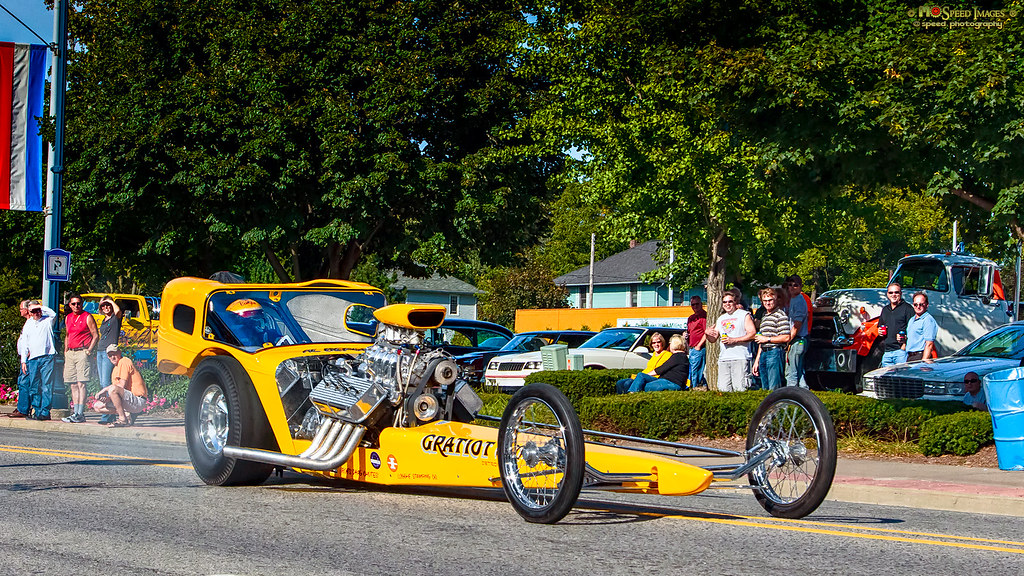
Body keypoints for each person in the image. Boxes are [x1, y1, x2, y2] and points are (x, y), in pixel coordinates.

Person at [704, 291, 755, 392]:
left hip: (740, 357)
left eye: (730, 301)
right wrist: (707, 334)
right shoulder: (721, 318)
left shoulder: (744, 315)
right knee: (723, 389)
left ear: (735, 302)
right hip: (724, 358)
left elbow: (752, 334)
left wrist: (734, 340)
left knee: (740, 389)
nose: (727, 304)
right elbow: (713, 339)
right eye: (724, 302)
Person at [62, 293, 99, 423]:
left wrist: (89, 350)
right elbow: (67, 335)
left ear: (82, 304)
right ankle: (75, 412)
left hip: (82, 351)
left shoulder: (87, 317)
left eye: (78, 303)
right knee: (73, 384)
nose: (76, 306)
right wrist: (66, 350)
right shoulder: (68, 318)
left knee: (81, 383)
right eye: (73, 304)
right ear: (70, 305)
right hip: (71, 352)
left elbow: (95, 335)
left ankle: (80, 413)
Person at [20, 300, 58, 421]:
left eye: (38, 310)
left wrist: (39, 306)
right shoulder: (28, 324)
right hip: (33, 359)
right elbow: (25, 343)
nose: (36, 313)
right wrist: (23, 361)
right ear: (29, 312)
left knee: (47, 385)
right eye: (33, 311)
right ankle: (37, 411)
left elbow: (53, 314)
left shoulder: (47, 320)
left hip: (47, 357)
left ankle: (45, 412)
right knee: (34, 386)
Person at [93, 344, 149, 427]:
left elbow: (121, 386)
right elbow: (117, 393)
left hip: (138, 400)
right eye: (110, 355)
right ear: (108, 357)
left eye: (114, 354)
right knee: (97, 406)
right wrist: (107, 399)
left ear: (119, 353)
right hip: (128, 401)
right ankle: (127, 414)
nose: (112, 357)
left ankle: (122, 419)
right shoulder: (115, 369)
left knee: (112, 389)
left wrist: (104, 390)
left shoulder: (124, 361)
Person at [753, 287, 791, 391]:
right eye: (765, 301)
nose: (767, 303)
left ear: (775, 300)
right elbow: (761, 340)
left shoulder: (780, 314)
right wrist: (757, 360)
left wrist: (767, 339)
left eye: (770, 300)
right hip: (763, 352)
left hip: (775, 352)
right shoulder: (764, 316)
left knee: (774, 387)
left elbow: (786, 337)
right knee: (765, 387)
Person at [621, 335, 689, 392]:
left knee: (644, 385)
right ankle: (631, 394)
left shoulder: (678, 357)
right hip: (663, 380)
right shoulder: (679, 356)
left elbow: (661, 369)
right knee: (640, 376)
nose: (669, 345)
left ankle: (632, 395)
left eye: (670, 343)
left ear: (674, 345)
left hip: (671, 383)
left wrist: (647, 375)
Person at [94, 296, 123, 424]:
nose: (106, 307)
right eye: (103, 306)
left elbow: (118, 311)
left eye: (108, 305)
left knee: (106, 382)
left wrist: (110, 301)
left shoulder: (115, 318)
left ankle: (107, 414)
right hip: (100, 350)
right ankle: (108, 412)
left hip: (108, 352)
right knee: (102, 382)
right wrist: (102, 303)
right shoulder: (104, 320)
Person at [784, 275, 811, 388]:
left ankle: (792, 394)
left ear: (800, 287)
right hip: (797, 340)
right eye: (790, 285)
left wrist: (788, 340)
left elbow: (797, 324)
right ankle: (804, 393)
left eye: (795, 285)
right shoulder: (793, 300)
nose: (792, 287)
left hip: (797, 340)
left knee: (792, 373)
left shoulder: (799, 300)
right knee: (799, 373)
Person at [8, 300, 34, 418]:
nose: (20, 311)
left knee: (24, 382)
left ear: (27, 310)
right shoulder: (28, 322)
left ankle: (23, 409)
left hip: (28, 357)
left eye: (21, 309)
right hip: (24, 357)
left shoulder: (32, 322)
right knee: (22, 381)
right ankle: (22, 406)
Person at [879, 281, 914, 367]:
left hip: (901, 352)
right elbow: (880, 327)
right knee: (887, 376)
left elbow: (913, 330)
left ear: (901, 294)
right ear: (887, 294)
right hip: (887, 353)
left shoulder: (908, 308)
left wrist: (904, 346)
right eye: (891, 292)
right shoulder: (885, 310)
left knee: (902, 375)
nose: (893, 295)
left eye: (896, 292)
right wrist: (879, 332)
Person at [905, 292, 938, 362]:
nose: (918, 307)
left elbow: (929, 344)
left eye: (921, 304)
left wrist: (924, 361)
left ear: (927, 305)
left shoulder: (928, 320)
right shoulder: (912, 319)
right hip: (910, 356)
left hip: (920, 356)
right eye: (915, 304)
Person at [686, 296, 708, 389]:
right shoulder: (691, 318)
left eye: (697, 304)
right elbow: (689, 332)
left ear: (701, 304)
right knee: (692, 371)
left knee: (696, 371)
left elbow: (707, 332)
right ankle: (693, 387)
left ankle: (696, 388)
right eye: (693, 304)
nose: (695, 306)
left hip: (699, 348)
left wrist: (699, 346)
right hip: (691, 348)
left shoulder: (704, 316)